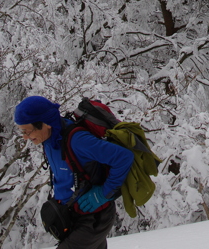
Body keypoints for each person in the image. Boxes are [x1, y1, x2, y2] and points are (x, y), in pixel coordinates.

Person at [15, 96, 134, 249]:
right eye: (22, 132)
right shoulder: (49, 140)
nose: (25, 137)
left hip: (94, 217)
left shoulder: (77, 140)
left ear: (45, 124)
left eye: (27, 131)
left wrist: (104, 193)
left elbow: (124, 157)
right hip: (74, 216)